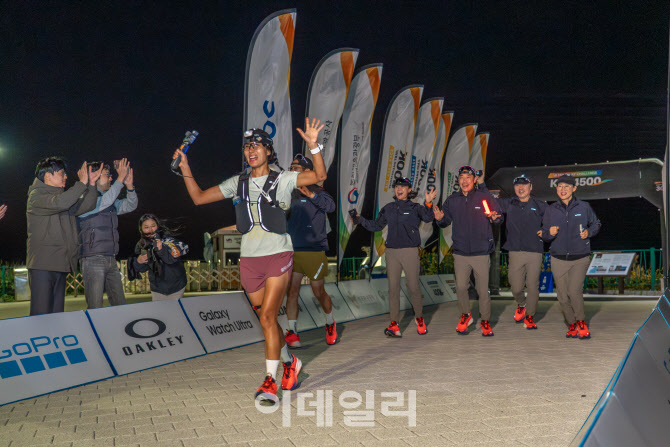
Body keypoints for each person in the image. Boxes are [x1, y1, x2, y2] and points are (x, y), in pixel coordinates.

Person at [173, 118, 327, 404]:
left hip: (278, 255)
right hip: (250, 261)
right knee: (266, 320)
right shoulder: (238, 183)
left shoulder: (284, 179)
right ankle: (290, 362)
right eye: (247, 147)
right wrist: (185, 169)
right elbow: (198, 198)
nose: (250, 150)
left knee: (268, 316)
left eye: (256, 146)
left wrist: (314, 146)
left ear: (268, 151)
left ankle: (269, 381)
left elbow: (319, 176)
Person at [352, 177, 437, 337]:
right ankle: (394, 324)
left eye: (403, 187)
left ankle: (419, 318)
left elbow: (428, 218)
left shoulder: (415, 207)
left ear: (409, 190)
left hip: (410, 251)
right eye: (397, 186)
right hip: (391, 252)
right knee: (393, 288)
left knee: (413, 287)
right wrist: (360, 219)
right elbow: (376, 226)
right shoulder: (388, 208)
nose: (399, 189)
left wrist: (428, 203)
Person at [26, 157, 102, 315]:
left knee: (56, 314)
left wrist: (92, 184)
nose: (66, 176)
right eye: (62, 173)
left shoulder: (63, 198)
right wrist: (81, 183)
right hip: (43, 266)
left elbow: (87, 205)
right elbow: (60, 203)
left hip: (60, 264)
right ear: (48, 175)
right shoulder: (36, 196)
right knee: (41, 315)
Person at [434, 165, 503, 336]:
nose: (464, 181)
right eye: (461, 178)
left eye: (468, 178)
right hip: (460, 252)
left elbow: (498, 217)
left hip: (481, 252)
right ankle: (465, 316)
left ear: (474, 180)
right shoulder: (452, 200)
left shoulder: (484, 196)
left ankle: (485, 321)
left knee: (482, 290)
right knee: (461, 287)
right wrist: (440, 219)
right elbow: (444, 222)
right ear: (458, 180)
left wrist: (495, 218)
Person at [284, 154, 337, 347]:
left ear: (307, 171)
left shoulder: (318, 190)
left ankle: (330, 322)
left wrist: (311, 195)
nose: (292, 170)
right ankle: (292, 332)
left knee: (318, 291)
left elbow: (331, 207)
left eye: (296, 167)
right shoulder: (288, 192)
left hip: (314, 250)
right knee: (292, 292)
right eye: (291, 167)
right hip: (292, 250)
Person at [542, 174, 601, 339]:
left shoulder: (584, 207)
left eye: (567, 186)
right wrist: (549, 233)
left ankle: (581, 322)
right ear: (556, 189)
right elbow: (544, 233)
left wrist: (589, 232)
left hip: (580, 257)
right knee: (562, 296)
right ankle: (572, 324)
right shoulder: (550, 209)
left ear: (574, 188)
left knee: (574, 291)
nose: (563, 190)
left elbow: (596, 223)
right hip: (558, 258)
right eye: (560, 186)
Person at [77, 159, 138, 309]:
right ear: (95, 176)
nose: (111, 178)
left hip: (111, 257)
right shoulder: (84, 199)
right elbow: (105, 201)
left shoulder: (110, 201)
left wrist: (130, 186)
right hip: (92, 259)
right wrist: (120, 178)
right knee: (95, 306)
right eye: (108, 175)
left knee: (120, 305)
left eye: (112, 176)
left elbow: (130, 205)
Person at [496, 175, 547, 329]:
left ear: (530, 187)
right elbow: (490, 202)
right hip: (515, 251)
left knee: (532, 286)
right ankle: (522, 304)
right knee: (516, 287)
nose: (520, 188)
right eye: (517, 185)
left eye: (524, 185)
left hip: (534, 252)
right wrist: (481, 185)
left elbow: (552, 220)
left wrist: (545, 231)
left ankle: (530, 316)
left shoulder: (540, 205)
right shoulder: (509, 203)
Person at [131, 214, 188, 300]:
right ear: (141, 229)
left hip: (177, 286)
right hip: (157, 288)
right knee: (159, 309)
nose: (150, 230)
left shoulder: (168, 239)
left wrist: (162, 249)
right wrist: (139, 262)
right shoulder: (141, 245)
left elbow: (172, 258)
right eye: (146, 227)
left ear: (158, 225)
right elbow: (142, 269)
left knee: (173, 308)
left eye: (153, 226)